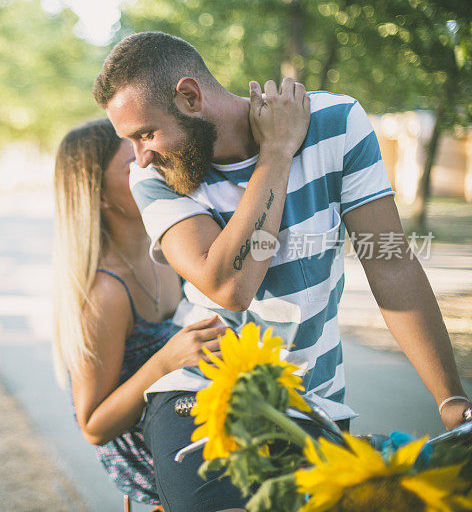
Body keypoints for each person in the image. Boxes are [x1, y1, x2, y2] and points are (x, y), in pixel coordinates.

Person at [93, 31, 471, 508]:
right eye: (130, 140)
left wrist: (450, 399)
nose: (141, 154)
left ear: (190, 97)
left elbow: (391, 262)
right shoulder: (150, 177)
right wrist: (276, 153)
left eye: (146, 133)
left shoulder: (337, 122)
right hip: (205, 393)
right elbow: (230, 285)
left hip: (317, 401)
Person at [52, 119, 239, 508]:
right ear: (99, 196)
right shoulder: (105, 293)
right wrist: (167, 360)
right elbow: (93, 426)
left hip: (193, 420)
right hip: (160, 457)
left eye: (149, 156)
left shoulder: (168, 250)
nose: (150, 168)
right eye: (131, 166)